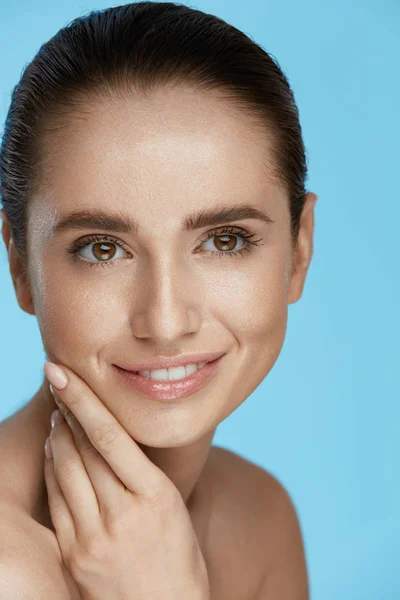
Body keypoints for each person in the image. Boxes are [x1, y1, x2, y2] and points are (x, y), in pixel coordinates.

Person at [0, 2, 317, 598]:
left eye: (225, 240)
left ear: (299, 253)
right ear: (19, 264)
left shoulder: (260, 514)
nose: (166, 322)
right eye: (101, 249)